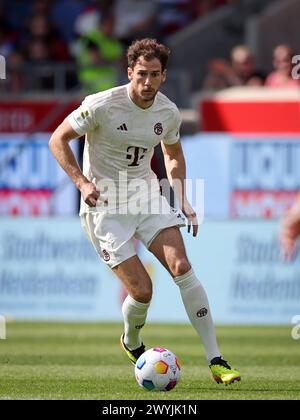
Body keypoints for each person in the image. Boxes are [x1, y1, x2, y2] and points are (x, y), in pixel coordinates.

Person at [49, 38, 241, 385]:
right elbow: (57, 139)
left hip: (146, 196)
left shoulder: (167, 111)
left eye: (154, 74)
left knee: (182, 266)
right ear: (129, 72)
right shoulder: (102, 104)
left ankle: (217, 359)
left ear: (164, 75)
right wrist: (81, 183)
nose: (147, 82)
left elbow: (173, 154)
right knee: (143, 292)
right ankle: (131, 340)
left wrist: (181, 197)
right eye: (141, 74)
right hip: (105, 207)